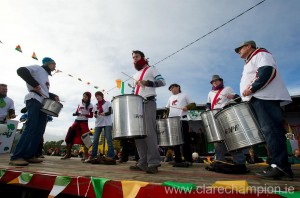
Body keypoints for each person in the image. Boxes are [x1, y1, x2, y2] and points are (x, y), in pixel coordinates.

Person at [235, 40, 293, 180]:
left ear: (249, 46)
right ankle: (274, 165)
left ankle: (281, 167)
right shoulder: (250, 60)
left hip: (263, 97)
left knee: (272, 130)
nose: (238, 52)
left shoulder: (260, 53)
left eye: (240, 49)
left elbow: (268, 70)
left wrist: (252, 88)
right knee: (268, 132)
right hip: (256, 98)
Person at [10, 57, 59, 166]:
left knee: (40, 130)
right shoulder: (37, 68)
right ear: (48, 64)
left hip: (43, 102)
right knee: (31, 127)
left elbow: (44, 91)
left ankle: (29, 155)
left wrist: (53, 95)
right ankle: (17, 156)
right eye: (53, 64)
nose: (55, 67)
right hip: (34, 99)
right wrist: (34, 83)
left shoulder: (46, 76)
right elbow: (21, 70)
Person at [129, 50, 166, 174]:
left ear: (143, 57)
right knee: (138, 134)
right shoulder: (134, 75)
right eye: (133, 57)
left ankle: (154, 162)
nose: (135, 59)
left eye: (137, 57)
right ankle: (143, 162)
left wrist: (148, 83)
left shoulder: (151, 69)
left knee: (149, 132)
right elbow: (134, 91)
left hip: (148, 102)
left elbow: (162, 82)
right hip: (136, 104)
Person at [205, 75, 247, 173]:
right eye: (213, 82)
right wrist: (207, 109)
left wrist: (233, 96)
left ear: (221, 81)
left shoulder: (227, 89)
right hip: (214, 116)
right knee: (218, 139)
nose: (215, 82)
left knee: (232, 138)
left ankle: (240, 162)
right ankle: (220, 161)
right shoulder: (210, 93)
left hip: (226, 115)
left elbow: (238, 99)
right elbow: (208, 103)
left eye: (216, 81)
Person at [165, 83, 196, 167]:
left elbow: (193, 104)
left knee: (185, 140)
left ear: (178, 87)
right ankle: (177, 159)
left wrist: (187, 107)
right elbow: (167, 108)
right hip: (172, 120)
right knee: (175, 141)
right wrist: (167, 116)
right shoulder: (170, 97)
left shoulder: (184, 94)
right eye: (170, 89)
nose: (172, 90)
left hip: (182, 119)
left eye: (173, 88)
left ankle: (188, 159)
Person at [61, 92, 93, 160]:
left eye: (86, 97)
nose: (84, 98)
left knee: (85, 138)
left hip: (84, 122)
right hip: (76, 121)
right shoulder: (79, 103)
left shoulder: (90, 105)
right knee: (69, 136)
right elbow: (77, 112)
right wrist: (75, 113)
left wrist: (84, 114)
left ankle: (85, 155)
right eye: (83, 96)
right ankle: (68, 154)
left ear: (89, 98)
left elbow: (91, 115)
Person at [88, 91, 116, 165]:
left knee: (109, 139)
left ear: (102, 96)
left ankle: (111, 156)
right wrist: (96, 115)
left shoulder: (107, 103)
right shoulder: (95, 105)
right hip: (98, 124)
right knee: (95, 140)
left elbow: (111, 111)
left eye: (99, 95)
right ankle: (93, 156)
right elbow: (94, 114)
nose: (97, 97)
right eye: (96, 96)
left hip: (107, 123)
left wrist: (105, 113)